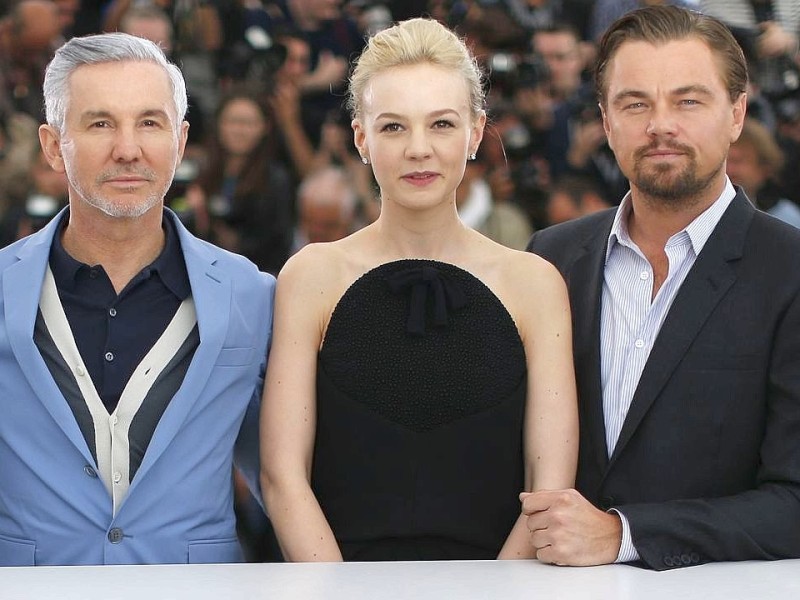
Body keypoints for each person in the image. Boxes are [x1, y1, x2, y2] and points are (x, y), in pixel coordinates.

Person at [260, 17, 578, 562]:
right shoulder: (311, 275)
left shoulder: (534, 283)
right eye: (393, 127)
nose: (419, 150)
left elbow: (548, 485)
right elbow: (283, 476)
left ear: (476, 133)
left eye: (442, 125)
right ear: (361, 138)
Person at [526, 5, 800, 570]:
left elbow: (793, 500)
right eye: (635, 103)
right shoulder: (549, 258)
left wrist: (625, 534)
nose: (660, 125)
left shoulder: (790, 271)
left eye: (688, 101)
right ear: (605, 121)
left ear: (737, 114)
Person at [0, 32, 275, 566]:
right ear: (54, 145)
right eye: (100, 123)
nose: (128, 148)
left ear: (181, 139)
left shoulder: (252, 294)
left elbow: (282, 477)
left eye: (150, 122)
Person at [184, 87, 293, 275]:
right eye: (232, 121)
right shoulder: (200, 171)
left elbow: (278, 243)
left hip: (257, 277)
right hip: (200, 273)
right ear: (218, 124)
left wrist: (231, 240)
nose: (239, 130)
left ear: (265, 127)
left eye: (249, 123)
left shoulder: (276, 180)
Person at [726, 116, 800, 227]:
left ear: (764, 168)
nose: (728, 170)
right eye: (724, 161)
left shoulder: (785, 218)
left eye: (737, 161)